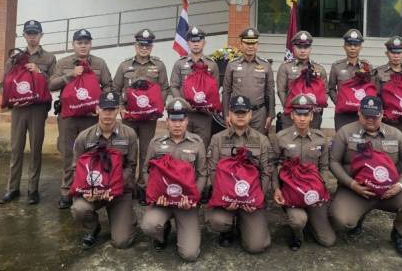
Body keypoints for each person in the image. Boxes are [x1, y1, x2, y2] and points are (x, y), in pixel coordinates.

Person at [329, 96, 402, 259]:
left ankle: (398, 234)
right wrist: (351, 184)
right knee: (341, 220)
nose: (370, 120)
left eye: (375, 116)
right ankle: (359, 216)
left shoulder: (395, 134)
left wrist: (400, 185)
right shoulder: (345, 132)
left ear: (382, 114)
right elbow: (333, 162)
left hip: (389, 192)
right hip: (356, 191)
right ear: (359, 113)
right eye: (366, 116)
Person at [49, 29, 113, 210]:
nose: (83, 46)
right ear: (73, 44)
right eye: (79, 43)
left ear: (90, 44)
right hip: (68, 118)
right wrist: (70, 75)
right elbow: (51, 85)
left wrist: (101, 105)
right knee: (68, 153)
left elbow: (108, 86)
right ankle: (66, 191)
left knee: (91, 152)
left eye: (86, 42)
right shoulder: (63, 63)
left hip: (91, 118)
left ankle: (87, 187)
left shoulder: (99, 63)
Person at [140, 98, 207, 262]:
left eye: (181, 120)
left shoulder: (197, 143)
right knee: (149, 226)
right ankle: (163, 230)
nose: (177, 125)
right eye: (173, 120)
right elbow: (145, 170)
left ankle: (183, 230)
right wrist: (155, 194)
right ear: (167, 121)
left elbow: (202, 174)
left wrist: (193, 198)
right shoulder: (156, 143)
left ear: (187, 121)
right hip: (162, 201)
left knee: (190, 254)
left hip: (185, 203)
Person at [0, 20, 56, 205]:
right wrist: (12, 98)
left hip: (38, 109)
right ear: (24, 35)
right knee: (16, 148)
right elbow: (2, 84)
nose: (32, 36)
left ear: (41, 35)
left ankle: (33, 189)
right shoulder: (14, 58)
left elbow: (54, 83)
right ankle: (12, 188)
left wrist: (39, 72)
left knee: (36, 149)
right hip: (19, 110)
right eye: (29, 33)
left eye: (35, 33)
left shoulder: (49, 58)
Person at [70, 91, 138, 249]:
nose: (108, 113)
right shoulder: (84, 137)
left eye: (112, 109)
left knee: (121, 242)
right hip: (93, 190)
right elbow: (76, 168)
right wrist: (87, 190)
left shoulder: (129, 135)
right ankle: (93, 227)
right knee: (79, 209)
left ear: (118, 110)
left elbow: (131, 167)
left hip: (120, 192)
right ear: (97, 109)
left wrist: (112, 187)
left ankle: (128, 219)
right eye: (104, 109)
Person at [205, 96, 272, 254]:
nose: (240, 116)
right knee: (217, 221)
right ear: (229, 114)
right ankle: (227, 230)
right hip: (226, 200)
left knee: (257, 246)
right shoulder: (217, 139)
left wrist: (257, 198)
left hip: (251, 201)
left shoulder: (262, 140)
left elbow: (266, 172)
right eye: (236, 112)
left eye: (244, 113)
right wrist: (224, 196)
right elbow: (212, 171)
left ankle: (243, 224)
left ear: (250, 115)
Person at [271, 95, 335, 250]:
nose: (302, 118)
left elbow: (324, 167)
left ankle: (312, 221)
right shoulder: (281, 138)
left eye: (306, 114)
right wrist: (276, 189)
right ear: (292, 115)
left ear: (311, 116)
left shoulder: (320, 139)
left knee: (328, 240)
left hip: (313, 192)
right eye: (298, 114)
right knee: (298, 220)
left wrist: (323, 187)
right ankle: (297, 235)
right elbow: (273, 165)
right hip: (292, 191)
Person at [113, 29, 170, 203]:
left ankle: (144, 186)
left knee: (146, 152)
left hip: (148, 119)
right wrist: (120, 107)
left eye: (147, 45)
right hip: (129, 117)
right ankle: (127, 186)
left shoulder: (159, 66)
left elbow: (165, 88)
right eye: (141, 45)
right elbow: (115, 88)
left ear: (151, 46)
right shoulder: (124, 66)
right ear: (135, 45)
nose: (144, 48)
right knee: (128, 150)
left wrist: (158, 106)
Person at [170, 26, 220, 148]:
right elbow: (174, 86)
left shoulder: (212, 65)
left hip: (204, 115)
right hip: (184, 114)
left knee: (202, 146)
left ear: (204, 42)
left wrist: (206, 104)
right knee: (182, 146)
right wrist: (182, 103)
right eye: (193, 41)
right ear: (188, 43)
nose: (196, 44)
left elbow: (215, 88)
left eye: (199, 41)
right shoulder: (180, 64)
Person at [221, 27, 275, 134]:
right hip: (238, 113)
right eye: (247, 43)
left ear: (257, 45)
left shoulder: (265, 65)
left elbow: (270, 92)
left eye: (253, 43)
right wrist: (226, 114)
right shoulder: (232, 65)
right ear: (241, 44)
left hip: (259, 114)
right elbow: (226, 91)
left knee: (258, 142)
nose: (250, 46)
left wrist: (270, 114)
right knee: (237, 142)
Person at [276, 31, 328, 129]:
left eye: (306, 47)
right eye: (299, 47)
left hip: (313, 116)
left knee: (312, 138)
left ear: (310, 48)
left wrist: (317, 107)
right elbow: (281, 91)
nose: (303, 50)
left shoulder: (319, 69)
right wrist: (290, 108)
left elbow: (325, 91)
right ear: (293, 48)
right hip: (291, 116)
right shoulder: (285, 67)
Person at [328, 29, 373, 131]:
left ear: (361, 47)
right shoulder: (337, 66)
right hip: (343, 114)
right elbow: (331, 88)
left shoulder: (367, 67)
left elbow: (371, 89)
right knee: (342, 138)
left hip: (362, 113)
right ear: (344, 47)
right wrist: (339, 102)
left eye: (356, 45)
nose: (352, 48)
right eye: (349, 45)